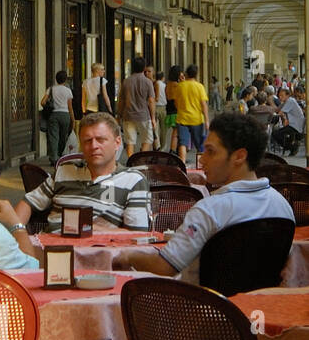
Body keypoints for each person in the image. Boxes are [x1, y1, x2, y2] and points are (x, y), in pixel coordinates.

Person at [113, 113, 293, 278]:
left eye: (211, 151)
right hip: (258, 305)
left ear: (239, 156)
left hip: (203, 307)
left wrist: (129, 256)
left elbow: (165, 267)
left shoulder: (209, 210)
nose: (202, 158)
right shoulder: (282, 205)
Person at [15, 112, 150, 231]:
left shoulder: (133, 180)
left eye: (101, 140)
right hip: (50, 252)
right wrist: (17, 232)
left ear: (117, 142)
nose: (94, 146)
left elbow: (136, 237)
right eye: (87, 141)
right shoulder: (65, 170)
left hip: (98, 255)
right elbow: (28, 203)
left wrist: (92, 229)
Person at [117, 55, 155, 156]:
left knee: (130, 141)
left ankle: (131, 161)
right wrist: (153, 118)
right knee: (147, 139)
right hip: (143, 115)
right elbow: (151, 101)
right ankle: (141, 158)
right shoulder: (148, 82)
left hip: (128, 114)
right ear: (144, 68)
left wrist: (119, 114)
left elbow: (121, 100)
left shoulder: (126, 81)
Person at [173, 64, 208, 166]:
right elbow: (203, 104)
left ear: (186, 74)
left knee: (182, 143)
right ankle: (201, 166)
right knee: (200, 145)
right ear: (196, 75)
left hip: (182, 119)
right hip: (196, 119)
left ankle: (182, 164)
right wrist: (207, 120)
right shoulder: (199, 87)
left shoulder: (180, 86)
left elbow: (176, 102)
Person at [40, 69, 74, 165]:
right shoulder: (68, 91)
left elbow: (42, 102)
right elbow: (70, 106)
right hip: (65, 115)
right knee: (63, 137)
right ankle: (60, 155)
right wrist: (73, 119)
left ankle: (54, 158)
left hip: (54, 115)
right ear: (65, 79)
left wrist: (48, 107)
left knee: (53, 137)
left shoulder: (51, 89)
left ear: (56, 79)